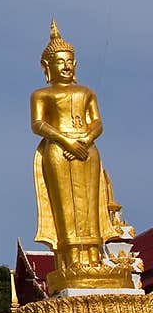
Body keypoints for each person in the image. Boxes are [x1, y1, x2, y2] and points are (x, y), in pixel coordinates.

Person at [31, 20, 118, 281]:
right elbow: (38, 124)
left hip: (88, 151)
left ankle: (94, 256)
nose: (66, 65)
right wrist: (66, 141)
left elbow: (97, 122)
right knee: (64, 206)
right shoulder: (41, 95)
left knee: (91, 205)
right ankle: (69, 260)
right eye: (60, 61)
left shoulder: (85, 92)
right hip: (58, 151)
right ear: (47, 67)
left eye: (70, 60)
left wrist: (86, 139)